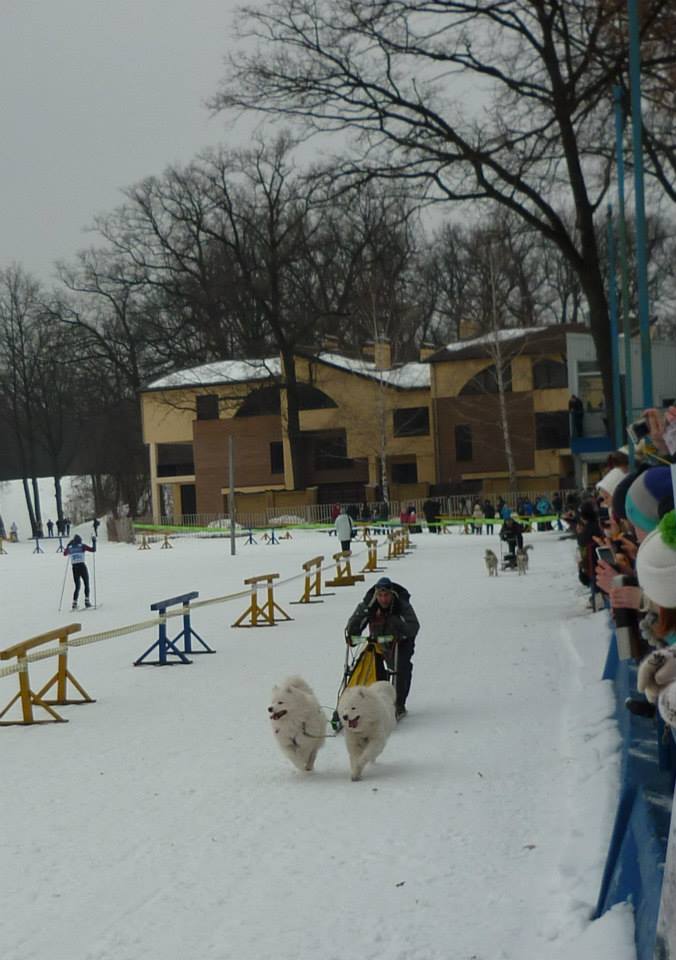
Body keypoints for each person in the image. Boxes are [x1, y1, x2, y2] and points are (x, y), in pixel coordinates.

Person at [345, 576, 420, 720]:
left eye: (386, 595)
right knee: (368, 667)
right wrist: (353, 633)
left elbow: (413, 626)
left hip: (400, 643)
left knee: (401, 669)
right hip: (378, 642)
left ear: (392, 594)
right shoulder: (370, 603)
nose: (383, 599)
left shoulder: (402, 605)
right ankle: (363, 703)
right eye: (380, 595)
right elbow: (356, 621)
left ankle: (398, 704)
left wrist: (396, 625)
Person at [64, 534, 96, 609]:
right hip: (82, 566)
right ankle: (87, 601)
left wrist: (68, 545)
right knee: (86, 584)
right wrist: (94, 541)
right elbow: (93, 550)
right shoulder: (82, 546)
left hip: (74, 568)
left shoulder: (71, 547)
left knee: (77, 586)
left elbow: (65, 553)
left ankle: (74, 603)